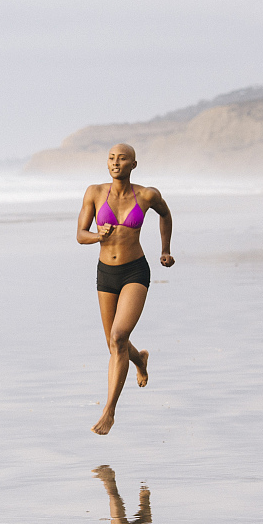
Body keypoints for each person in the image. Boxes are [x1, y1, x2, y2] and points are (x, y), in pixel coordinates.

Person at [76, 144, 173, 435]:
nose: (115, 163)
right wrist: (97, 236)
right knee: (113, 344)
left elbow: (165, 215)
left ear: (133, 164)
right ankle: (139, 359)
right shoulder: (94, 192)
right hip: (106, 273)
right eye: (111, 159)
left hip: (135, 271)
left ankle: (109, 409)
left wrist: (165, 250)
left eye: (122, 159)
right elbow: (80, 235)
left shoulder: (147, 195)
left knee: (119, 337)